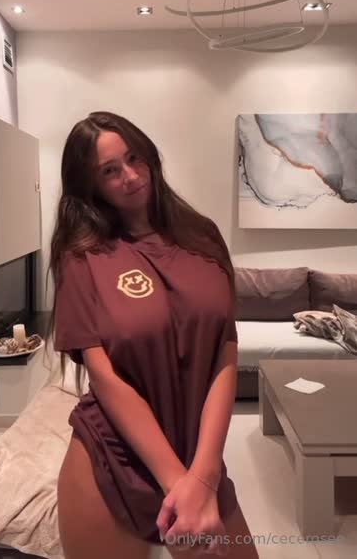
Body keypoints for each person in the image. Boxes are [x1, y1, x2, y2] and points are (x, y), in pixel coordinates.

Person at [46, 110, 259, 559]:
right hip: (113, 462)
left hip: (197, 459)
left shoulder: (202, 237)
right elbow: (104, 377)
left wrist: (204, 477)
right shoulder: (82, 256)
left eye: (134, 158)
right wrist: (178, 482)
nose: (129, 176)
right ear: (91, 185)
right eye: (109, 170)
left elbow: (224, 348)